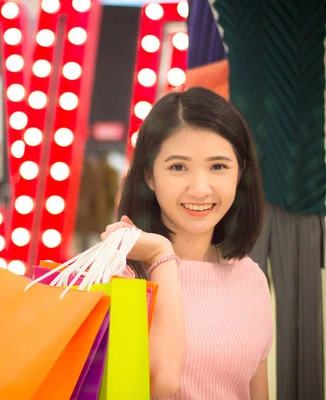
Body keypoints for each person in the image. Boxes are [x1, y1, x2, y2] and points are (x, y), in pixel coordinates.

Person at [101, 87, 272, 399]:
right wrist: (160, 256)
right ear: (149, 176)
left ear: (240, 172)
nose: (200, 189)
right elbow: (158, 387)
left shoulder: (251, 278)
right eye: (178, 167)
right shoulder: (121, 277)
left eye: (218, 166)